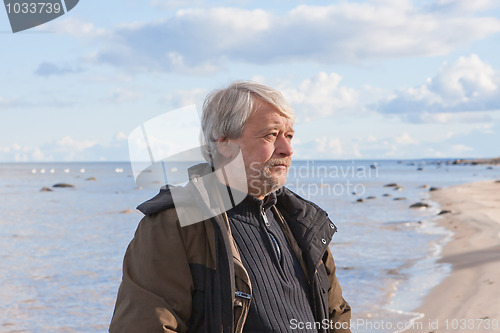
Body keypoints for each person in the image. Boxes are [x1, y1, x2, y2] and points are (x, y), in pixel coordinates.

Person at [109, 81, 351, 332]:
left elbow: (336, 317)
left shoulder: (302, 223)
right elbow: (144, 326)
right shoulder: (177, 224)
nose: (287, 149)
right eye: (271, 135)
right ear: (224, 143)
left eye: (289, 136)